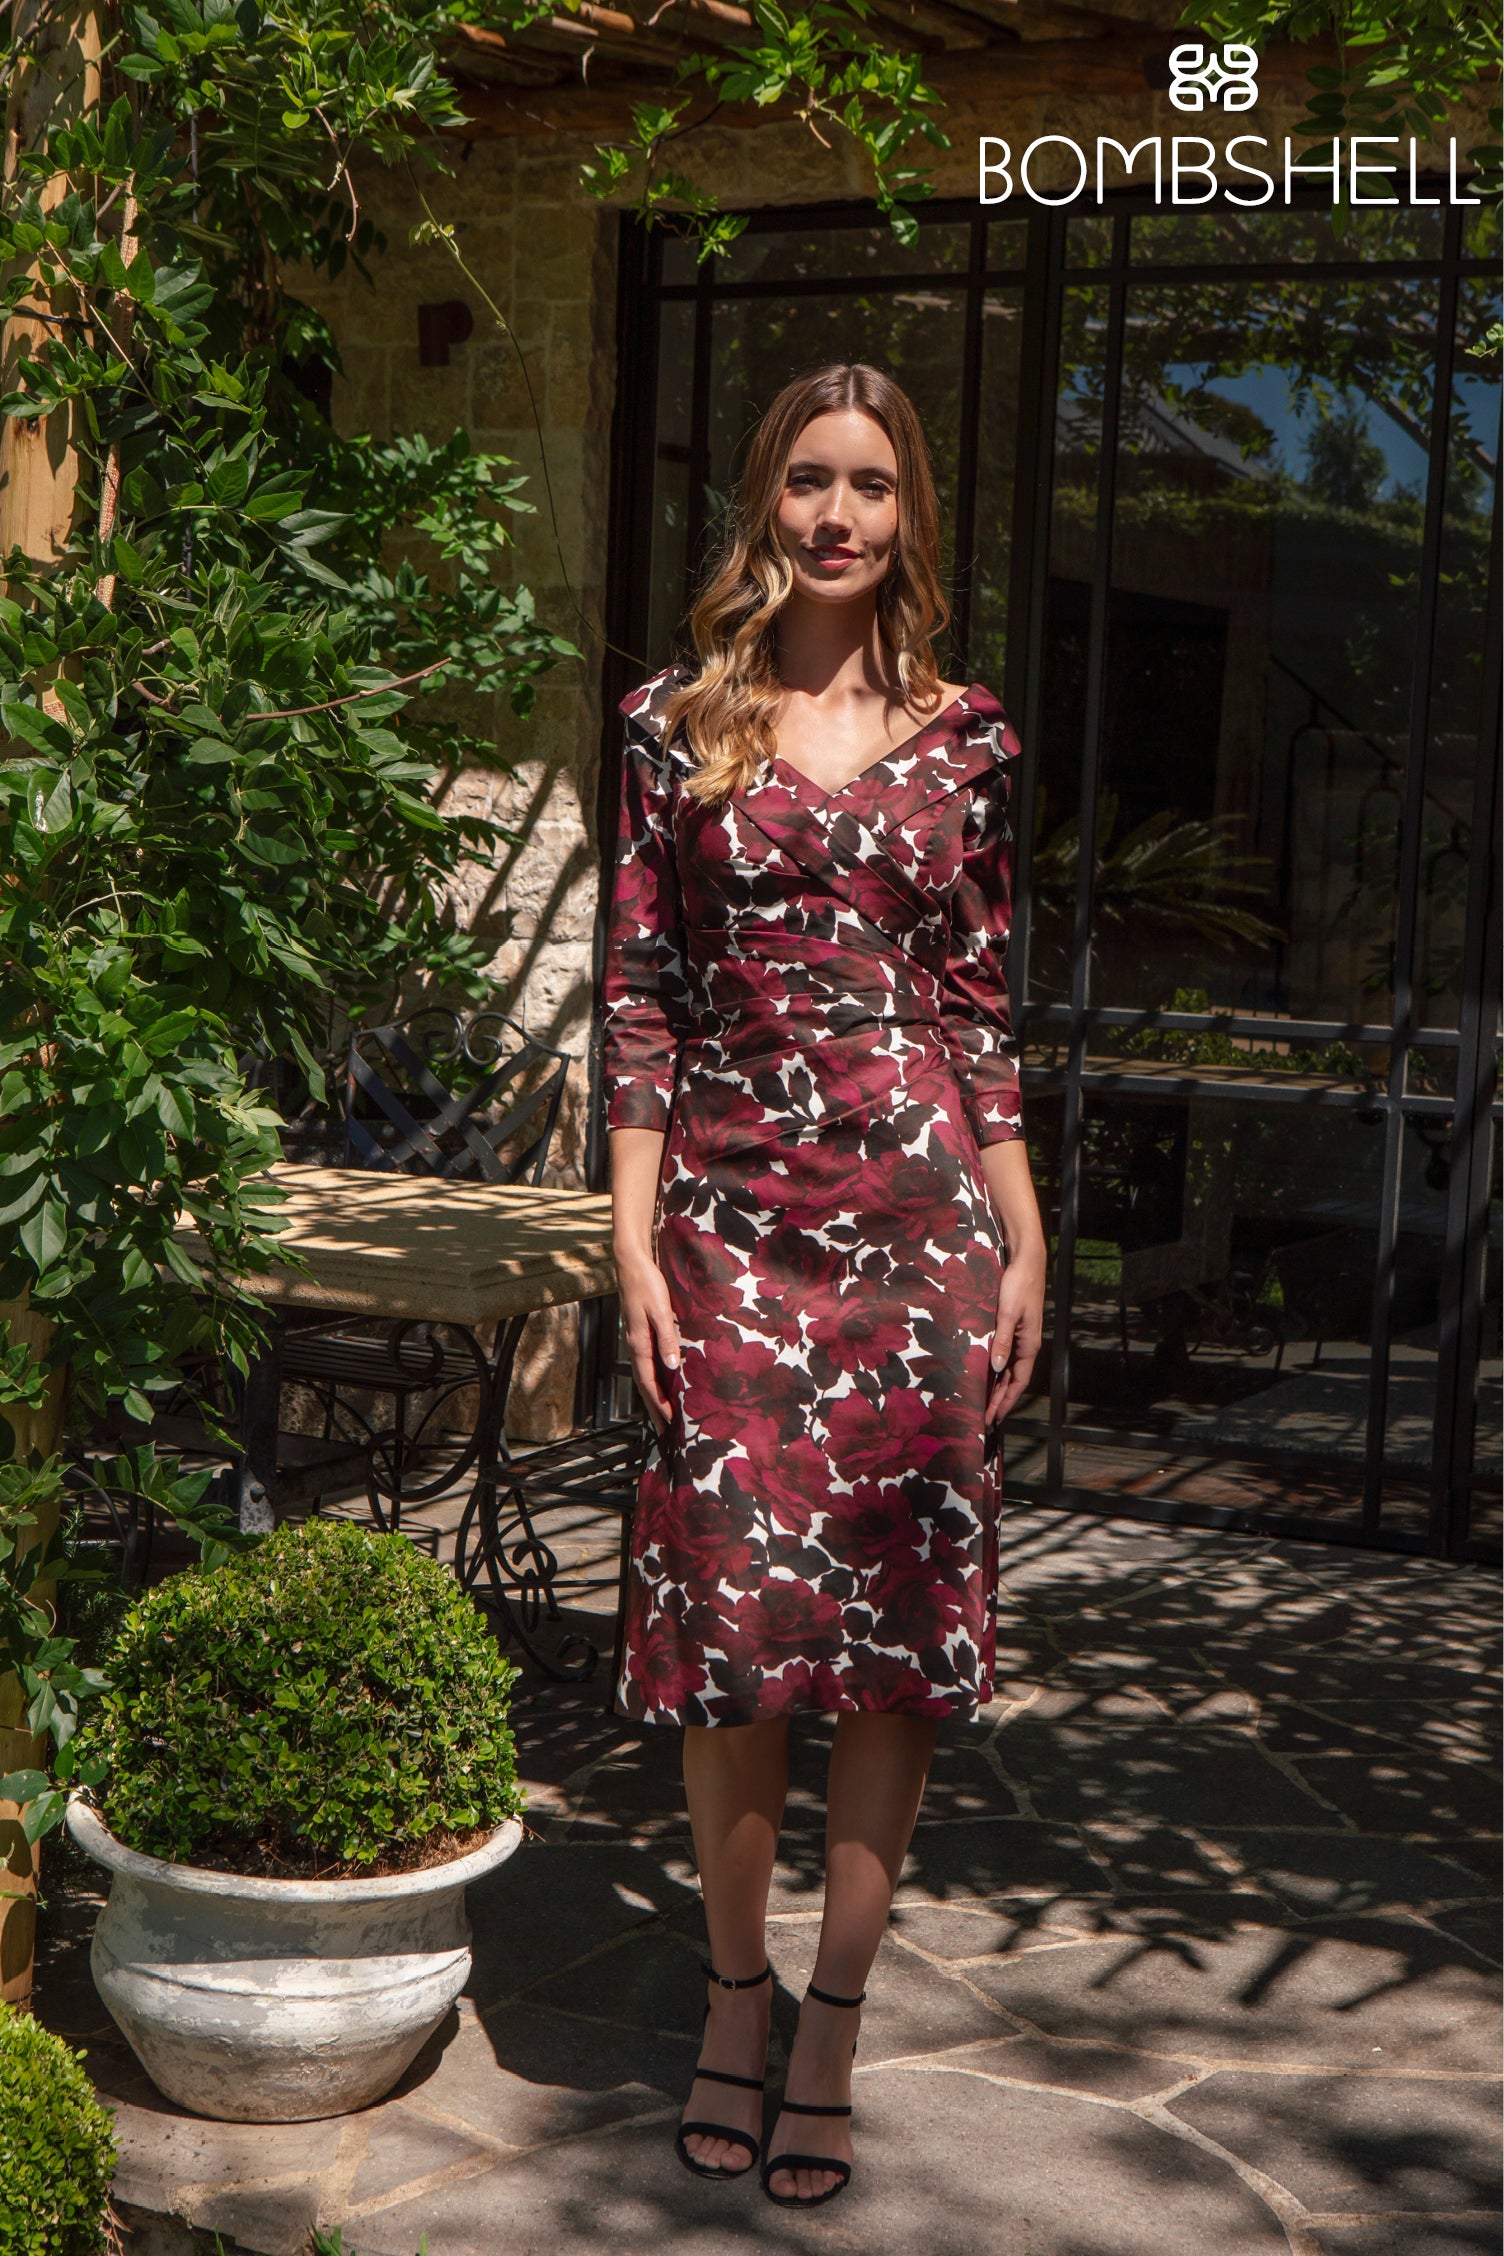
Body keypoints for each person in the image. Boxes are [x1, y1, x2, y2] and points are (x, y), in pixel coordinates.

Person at [602, 362, 1046, 2209]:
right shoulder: (668, 726)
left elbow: (977, 1006)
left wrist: (1024, 1235)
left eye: (871, 484)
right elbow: (636, 994)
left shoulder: (973, 743)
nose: (838, 514)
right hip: (725, 1228)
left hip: (920, 1233)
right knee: (731, 1648)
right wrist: (626, 1236)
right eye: (808, 481)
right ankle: (730, 1996)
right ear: (762, 505)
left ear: (911, 514)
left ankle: (837, 2024)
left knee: (885, 1652)